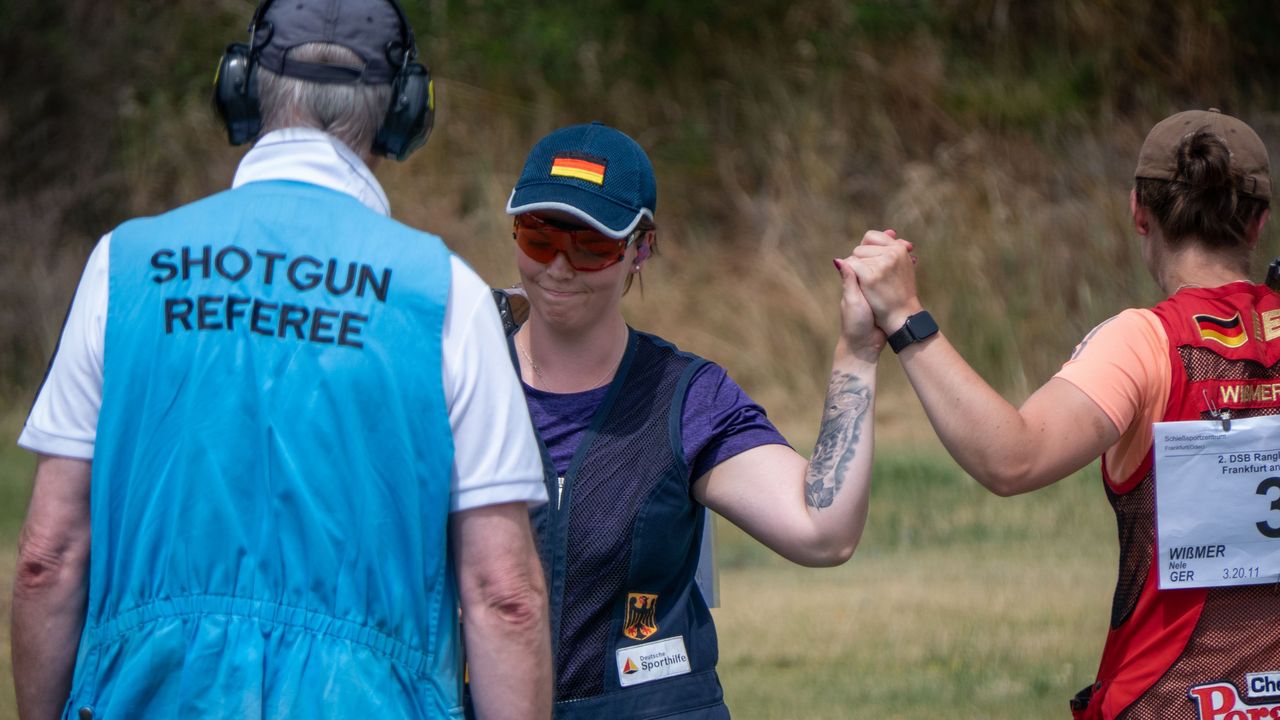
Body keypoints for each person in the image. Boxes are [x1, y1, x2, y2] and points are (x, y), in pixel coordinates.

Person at [11, 1, 551, 717]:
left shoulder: (123, 266)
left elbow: (48, 557)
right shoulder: (444, 293)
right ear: (403, 112)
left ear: (241, 89)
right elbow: (503, 595)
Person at [849, 108, 1277, 719]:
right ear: (1258, 223)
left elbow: (1011, 458)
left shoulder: (1144, 342)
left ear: (1138, 211)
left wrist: (903, 317)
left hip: (1169, 701)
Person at [494, 122, 882, 719]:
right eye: (539, 236)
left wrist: (856, 353)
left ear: (640, 250)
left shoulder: (688, 397)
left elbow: (822, 532)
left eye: (593, 244)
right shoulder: (459, 377)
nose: (561, 266)